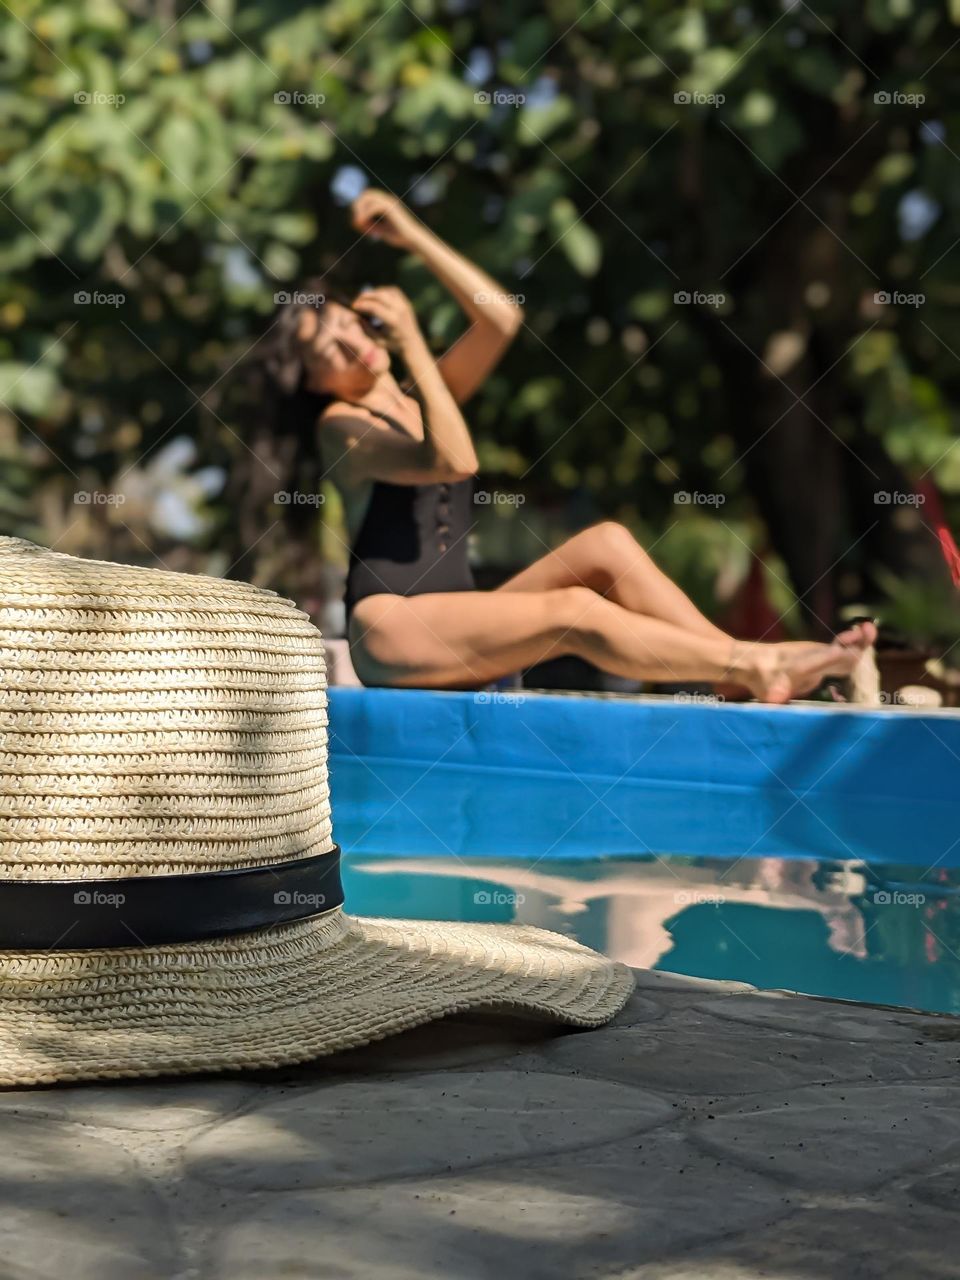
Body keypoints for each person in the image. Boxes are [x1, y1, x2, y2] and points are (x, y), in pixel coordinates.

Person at [268, 189, 875, 702]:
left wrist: (413, 235)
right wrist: (414, 345)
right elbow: (454, 459)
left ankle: (738, 669)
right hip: (394, 628)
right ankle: (751, 665)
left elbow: (499, 318)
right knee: (574, 612)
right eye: (327, 348)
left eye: (347, 322)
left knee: (608, 545)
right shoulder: (339, 427)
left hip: (459, 612)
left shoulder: (416, 397)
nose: (349, 342)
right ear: (313, 382)